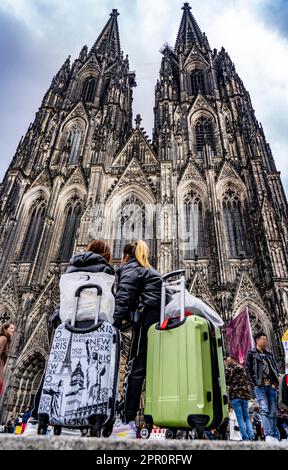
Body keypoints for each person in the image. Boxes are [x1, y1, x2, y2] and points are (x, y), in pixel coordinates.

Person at [111, 240, 171, 439]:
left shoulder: (132, 269)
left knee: (134, 369)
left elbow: (123, 297)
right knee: (152, 371)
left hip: (146, 321)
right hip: (160, 322)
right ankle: (154, 420)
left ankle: (127, 422)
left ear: (126, 257)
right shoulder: (148, 270)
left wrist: (113, 324)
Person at [245, 332, 280, 442]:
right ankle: (269, 435)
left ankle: (274, 435)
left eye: (265, 339)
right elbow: (248, 370)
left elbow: (274, 368)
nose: (265, 342)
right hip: (260, 386)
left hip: (271, 386)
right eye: (263, 339)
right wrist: (254, 384)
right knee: (264, 409)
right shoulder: (251, 354)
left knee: (273, 411)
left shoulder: (269, 354)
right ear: (257, 340)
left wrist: (275, 382)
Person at [225, 355, 254, 441]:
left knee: (240, 418)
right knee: (246, 417)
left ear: (233, 360)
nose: (227, 362)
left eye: (228, 360)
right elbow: (246, 380)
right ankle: (251, 435)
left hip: (235, 396)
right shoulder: (241, 368)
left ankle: (245, 436)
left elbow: (226, 381)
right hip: (244, 396)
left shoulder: (229, 369)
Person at [0, 322, 15, 396]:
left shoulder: (5, 339)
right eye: (11, 328)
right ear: (6, 329)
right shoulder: (4, 338)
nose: (13, 330)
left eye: (14, 328)